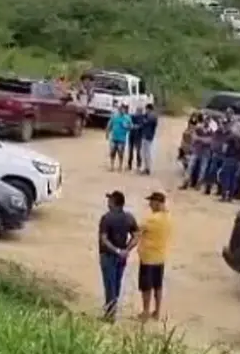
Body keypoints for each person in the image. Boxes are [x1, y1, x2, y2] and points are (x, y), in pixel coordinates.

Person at [98, 190, 138, 321]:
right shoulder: (129, 218)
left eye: (110, 200)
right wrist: (126, 250)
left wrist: (116, 250)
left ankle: (110, 314)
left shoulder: (106, 218)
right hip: (122, 257)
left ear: (113, 203)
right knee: (117, 283)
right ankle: (112, 310)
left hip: (108, 256)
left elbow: (104, 239)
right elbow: (136, 237)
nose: (108, 203)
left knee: (109, 284)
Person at [137, 192, 171, 321]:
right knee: (158, 285)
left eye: (151, 202)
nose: (149, 204)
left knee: (146, 286)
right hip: (161, 257)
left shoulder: (151, 219)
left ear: (157, 203)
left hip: (148, 257)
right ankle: (157, 311)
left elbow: (138, 231)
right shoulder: (168, 217)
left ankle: (145, 311)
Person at [217, 125, 240, 201]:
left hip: (229, 158)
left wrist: (223, 155)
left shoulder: (230, 137)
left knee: (225, 177)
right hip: (237, 160)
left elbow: (224, 148)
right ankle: (230, 197)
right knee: (233, 179)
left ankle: (223, 196)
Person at [106, 104, 133, 171]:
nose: (122, 110)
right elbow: (109, 125)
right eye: (120, 109)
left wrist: (127, 126)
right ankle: (112, 166)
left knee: (120, 153)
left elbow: (131, 127)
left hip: (122, 139)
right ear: (119, 109)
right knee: (112, 152)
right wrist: (107, 133)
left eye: (123, 109)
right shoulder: (114, 116)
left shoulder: (127, 118)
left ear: (125, 110)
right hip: (114, 138)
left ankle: (120, 166)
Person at [138, 104, 158, 175]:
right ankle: (147, 168)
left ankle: (147, 168)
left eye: (146, 109)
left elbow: (145, 122)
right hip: (148, 136)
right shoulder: (152, 115)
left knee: (146, 153)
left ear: (148, 109)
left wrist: (143, 119)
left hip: (147, 136)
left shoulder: (151, 116)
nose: (145, 111)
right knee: (146, 153)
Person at [126, 106, 145, 171]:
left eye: (139, 111)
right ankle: (129, 165)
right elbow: (129, 123)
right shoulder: (132, 116)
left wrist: (135, 126)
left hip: (138, 137)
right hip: (132, 136)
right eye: (137, 111)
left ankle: (138, 165)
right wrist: (131, 126)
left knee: (138, 152)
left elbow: (141, 126)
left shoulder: (142, 118)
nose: (138, 112)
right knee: (130, 151)